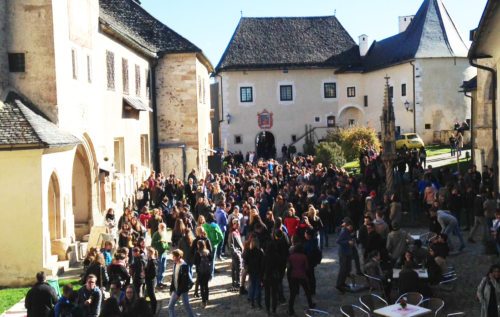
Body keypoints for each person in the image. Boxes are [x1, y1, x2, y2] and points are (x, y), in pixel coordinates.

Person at [287, 243, 315, 316]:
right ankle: (310, 304)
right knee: (307, 291)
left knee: (292, 294)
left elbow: (289, 267)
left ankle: (290, 309)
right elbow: (306, 267)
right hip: (302, 276)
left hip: (293, 276)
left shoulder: (291, 256)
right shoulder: (304, 256)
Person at [168, 249, 195, 317]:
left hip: (182, 290)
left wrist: (178, 293)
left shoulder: (184, 266)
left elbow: (183, 282)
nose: (172, 258)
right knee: (170, 306)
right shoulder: (175, 264)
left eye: (174, 256)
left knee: (186, 305)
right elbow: (174, 277)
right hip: (176, 289)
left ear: (179, 257)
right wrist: (172, 289)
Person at [336, 217, 355, 293]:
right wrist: (348, 242)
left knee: (347, 269)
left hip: (347, 252)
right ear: (348, 225)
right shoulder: (344, 231)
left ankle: (343, 283)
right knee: (343, 270)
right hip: (343, 253)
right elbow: (338, 241)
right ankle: (339, 285)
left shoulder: (347, 231)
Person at [193, 240, 212, 308]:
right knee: (206, 286)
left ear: (198, 245)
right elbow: (210, 260)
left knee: (201, 286)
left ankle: (203, 302)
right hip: (207, 271)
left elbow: (195, 262)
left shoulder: (197, 253)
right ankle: (207, 299)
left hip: (200, 272)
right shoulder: (207, 251)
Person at [145, 246, 158, 313]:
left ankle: (153, 310)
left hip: (151, 281)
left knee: (152, 295)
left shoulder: (153, 262)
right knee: (148, 294)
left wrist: (145, 275)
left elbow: (153, 274)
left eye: (147, 253)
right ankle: (150, 307)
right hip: (148, 280)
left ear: (151, 253)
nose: (147, 254)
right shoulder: (149, 260)